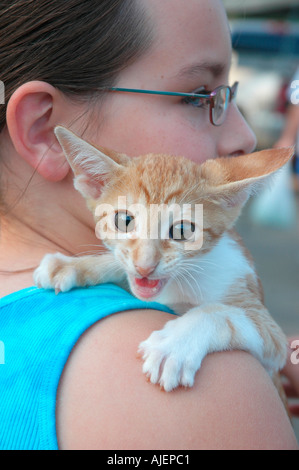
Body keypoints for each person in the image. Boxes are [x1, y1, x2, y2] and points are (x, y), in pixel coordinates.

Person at [0, 0, 298, 450]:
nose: (246, 136)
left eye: (230, 94)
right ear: (45, 129)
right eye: (198, 95)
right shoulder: (208, 387)